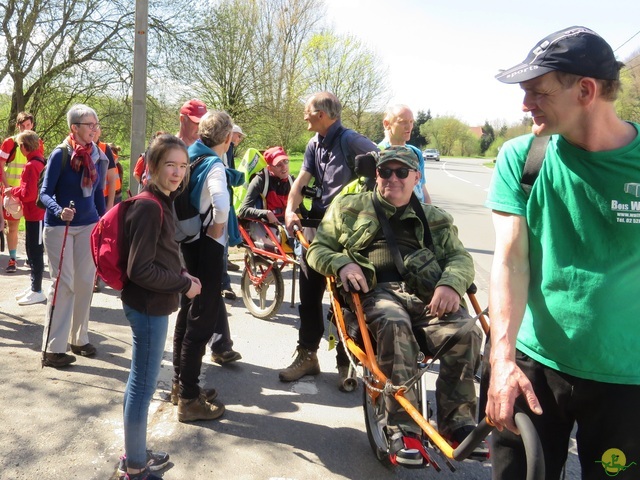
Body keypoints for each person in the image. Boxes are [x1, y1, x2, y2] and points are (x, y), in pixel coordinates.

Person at [485, 26, 640, 479]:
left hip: (626, 383)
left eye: (537, 91)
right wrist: (501, 360)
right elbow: (511, 261)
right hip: (534, 369)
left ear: (586, 90)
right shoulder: (521, 158)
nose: (525, 103)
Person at [307, 146, 481, 464]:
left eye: (402, 172)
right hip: (375, 294)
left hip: (426, 295)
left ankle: (458, 423)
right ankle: (403, 429)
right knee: (394, 323)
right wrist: (343, 263)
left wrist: (450, 283)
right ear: (377, 174)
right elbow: (317, 249)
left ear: (416, 176)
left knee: (467, 331)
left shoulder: (436, 218)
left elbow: (460, 258)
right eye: (386, 171)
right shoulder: (348, 206)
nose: (393, 179)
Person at [118, 134, 202, 480]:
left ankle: (135, 452)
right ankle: (136, 466)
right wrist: (184, 283)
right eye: (170, 165)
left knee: (139, 382)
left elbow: (161, 253)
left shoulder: (161, 199)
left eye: (183, 166)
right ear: (152, 167)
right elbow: (139, 269)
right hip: (148, 307)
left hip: (151, 303)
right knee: (142, 385)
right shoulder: (150, 206)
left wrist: (180, 270)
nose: (177, 172)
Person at [281, 91, 378, 386]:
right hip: (317, 231)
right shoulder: (314, 144)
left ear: (322, 114)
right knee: (309, 298)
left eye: (307, 111)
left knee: (347, 299)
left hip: (348, 235)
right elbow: (301, 181)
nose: (304, 116)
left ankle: (346, 362)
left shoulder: (352, 141)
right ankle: (307, 355)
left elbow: (384, 167)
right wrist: (289, 209)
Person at [172, 110, 235, 422]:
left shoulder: (189, 156)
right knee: (202, 319)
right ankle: (189, 397)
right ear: (226, 139)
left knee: (187, 311)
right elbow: (220, 203)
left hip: (187, 241)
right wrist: (219, 227)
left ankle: (178, 384)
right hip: (207, 246)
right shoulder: (214, 164)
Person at [39, 104, 109, 368]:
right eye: (89, 125)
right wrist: (59, 210)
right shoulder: (60, 154)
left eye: (96, 124)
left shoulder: (98, 155)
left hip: (89, 226)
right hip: (60, 228)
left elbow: (99, 192)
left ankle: (79, 338)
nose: (94, 129)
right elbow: (44, 193)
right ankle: (53, 349)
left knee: (84, 283)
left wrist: (103, 223)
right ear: (74, 128)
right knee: (64, 284)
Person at [0, 111, 44, 273]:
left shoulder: (37, 143)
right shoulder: (10, 142)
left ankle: (31, 258)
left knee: (32, 226)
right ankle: (12, 259)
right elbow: (0, 165)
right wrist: (6, 188)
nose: (26, 128)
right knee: (13, 226)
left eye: (28, 125)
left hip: (29, 192)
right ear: (18, 126)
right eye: (22, 125)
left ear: (32, 125)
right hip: (13, 192)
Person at [7, 130, 46, 305]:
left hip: (36, 215)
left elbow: (29, 194)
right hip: (34, 215)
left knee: (35, 253)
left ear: (24, 146)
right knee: (32, 251)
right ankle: (33, 286)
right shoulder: (39, 161)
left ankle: (37, 289)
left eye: (20, 145)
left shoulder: (32, 165)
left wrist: (12, 191)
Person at [378, 104, 431, 204]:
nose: (409, 127)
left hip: (417, 217)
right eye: (403, 122)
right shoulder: (378, 152)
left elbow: (422, 189)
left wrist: (429, 217)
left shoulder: (415, 152)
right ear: (386, 124)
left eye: (411, 122)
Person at [220, 124, 246, 298]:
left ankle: (223, 280)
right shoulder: (223, 148)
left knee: (223, 241)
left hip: (226, 197)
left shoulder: (229, 149)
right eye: (239, 136)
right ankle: (223, 283)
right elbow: (223, 171)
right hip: (220, 199)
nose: (239, 140)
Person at [237, 146, 293, 224]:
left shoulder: (292, 181)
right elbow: (243, 211)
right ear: (269, 168)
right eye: (278, 165)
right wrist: (266, 213)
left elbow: (301, 211)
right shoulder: (260, 180)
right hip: (265, 226)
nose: (284, 167)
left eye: (285, 161)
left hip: (288, 224)